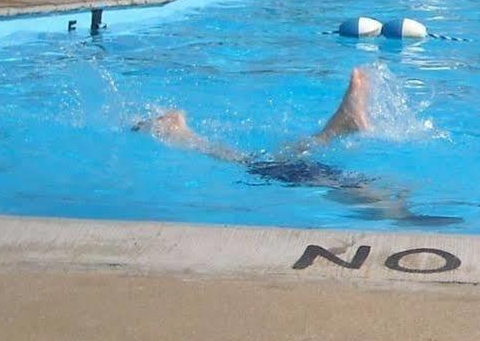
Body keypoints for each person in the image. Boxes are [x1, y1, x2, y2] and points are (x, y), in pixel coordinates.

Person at [133, 67, 458, 226]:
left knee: (258, 162)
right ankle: (340, 126)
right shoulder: (388, 207)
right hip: (336, 179)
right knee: (259, 162)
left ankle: (340, 126)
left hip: (333, 179)